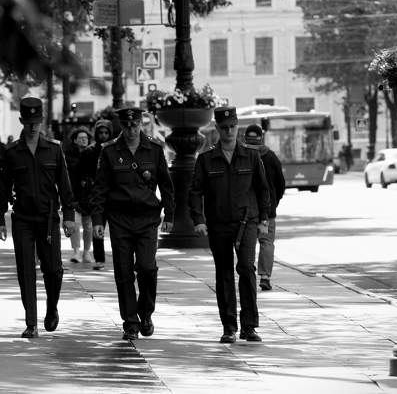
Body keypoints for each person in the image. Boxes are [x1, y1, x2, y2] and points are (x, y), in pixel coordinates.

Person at [91, 107, 175, 341]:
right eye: (126, 126)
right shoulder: (109, 151)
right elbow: (100, 188)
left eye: (134, 125)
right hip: (120, 219)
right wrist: (98, 220)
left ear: (141, 124)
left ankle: (145, 313)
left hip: (147, 219)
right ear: (121, 126)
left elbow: (166, 186)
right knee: (124, 272)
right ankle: (130, 322)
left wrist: (169, 215)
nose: (131, 130)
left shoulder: (154, 150)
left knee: (147, 268)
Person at [189, 106, 270, 344]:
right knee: (224, 273)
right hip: (219, 224)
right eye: (224, 127)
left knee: (246, 268)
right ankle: (229, 327)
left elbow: (263, 189)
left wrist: (264, 219)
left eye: (232, 127)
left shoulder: (251, 156)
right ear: (217, 128)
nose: (229, 131)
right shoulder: (206, 159)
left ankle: (249, 326)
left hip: (247, 222)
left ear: (237, 127)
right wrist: (199, 220)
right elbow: (195, 192)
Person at [0, 97, 76, 338]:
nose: (33, 126)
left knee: (53, 270)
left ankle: (52, 307)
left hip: (48, 218)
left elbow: (64, 184)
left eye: (36, 121)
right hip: (22, 218)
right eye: (28, 122)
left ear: (41, 121)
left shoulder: (53, 149)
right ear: (22, 121)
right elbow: (3, 188)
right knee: (26, 271)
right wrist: (0, 219)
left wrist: (69, 216)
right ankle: (31, 323)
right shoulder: (12, 152)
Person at [243, 124, 285, 291]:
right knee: (266, 242)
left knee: (247, 243)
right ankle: (265, 276)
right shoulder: (270, 157)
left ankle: (248, 273)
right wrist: (274, 203)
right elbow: (281, 184)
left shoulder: (241, 156)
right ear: (262, 138)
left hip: (247, 210)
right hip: (267, 211)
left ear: (245, 138)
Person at [76, 119, 113, 270]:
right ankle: (99, 259)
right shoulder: (88, 152)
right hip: (96, 195)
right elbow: (79, 174)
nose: (103, 135)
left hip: (114, 195)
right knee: (97, 226)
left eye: (106, 132)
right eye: (100, 132)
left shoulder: (116, 151)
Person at [65, 126, 92, 263]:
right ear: (75, 140)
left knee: (88, 226)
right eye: (81, 138)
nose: (83, 140)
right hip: (73, 194)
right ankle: (76, 252)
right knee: (74, 224)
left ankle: (86, 252)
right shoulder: (68, 156)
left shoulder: (93, 154)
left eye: (86, 138)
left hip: (88, 195)